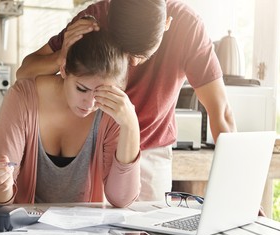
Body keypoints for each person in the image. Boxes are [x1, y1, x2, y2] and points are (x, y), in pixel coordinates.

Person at [16, 0, 236, 201]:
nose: (133, 64)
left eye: (141, 56)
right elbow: (25, 72)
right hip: (95, 150)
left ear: (166, 23)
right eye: (126, 53)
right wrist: (61, 55)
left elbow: (221, 112)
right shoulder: (95, 18)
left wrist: (237, 189)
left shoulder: (188, 27)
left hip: (150, 148)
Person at [0, 30, 141, 207]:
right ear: (63, 70)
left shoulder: (111, 112)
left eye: (102, 94)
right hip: (24, 231)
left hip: (85, 232)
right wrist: (1, 185)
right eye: (81, 89)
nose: (90, 103)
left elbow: (121, 199)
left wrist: (130, 125)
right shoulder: (22, 97)